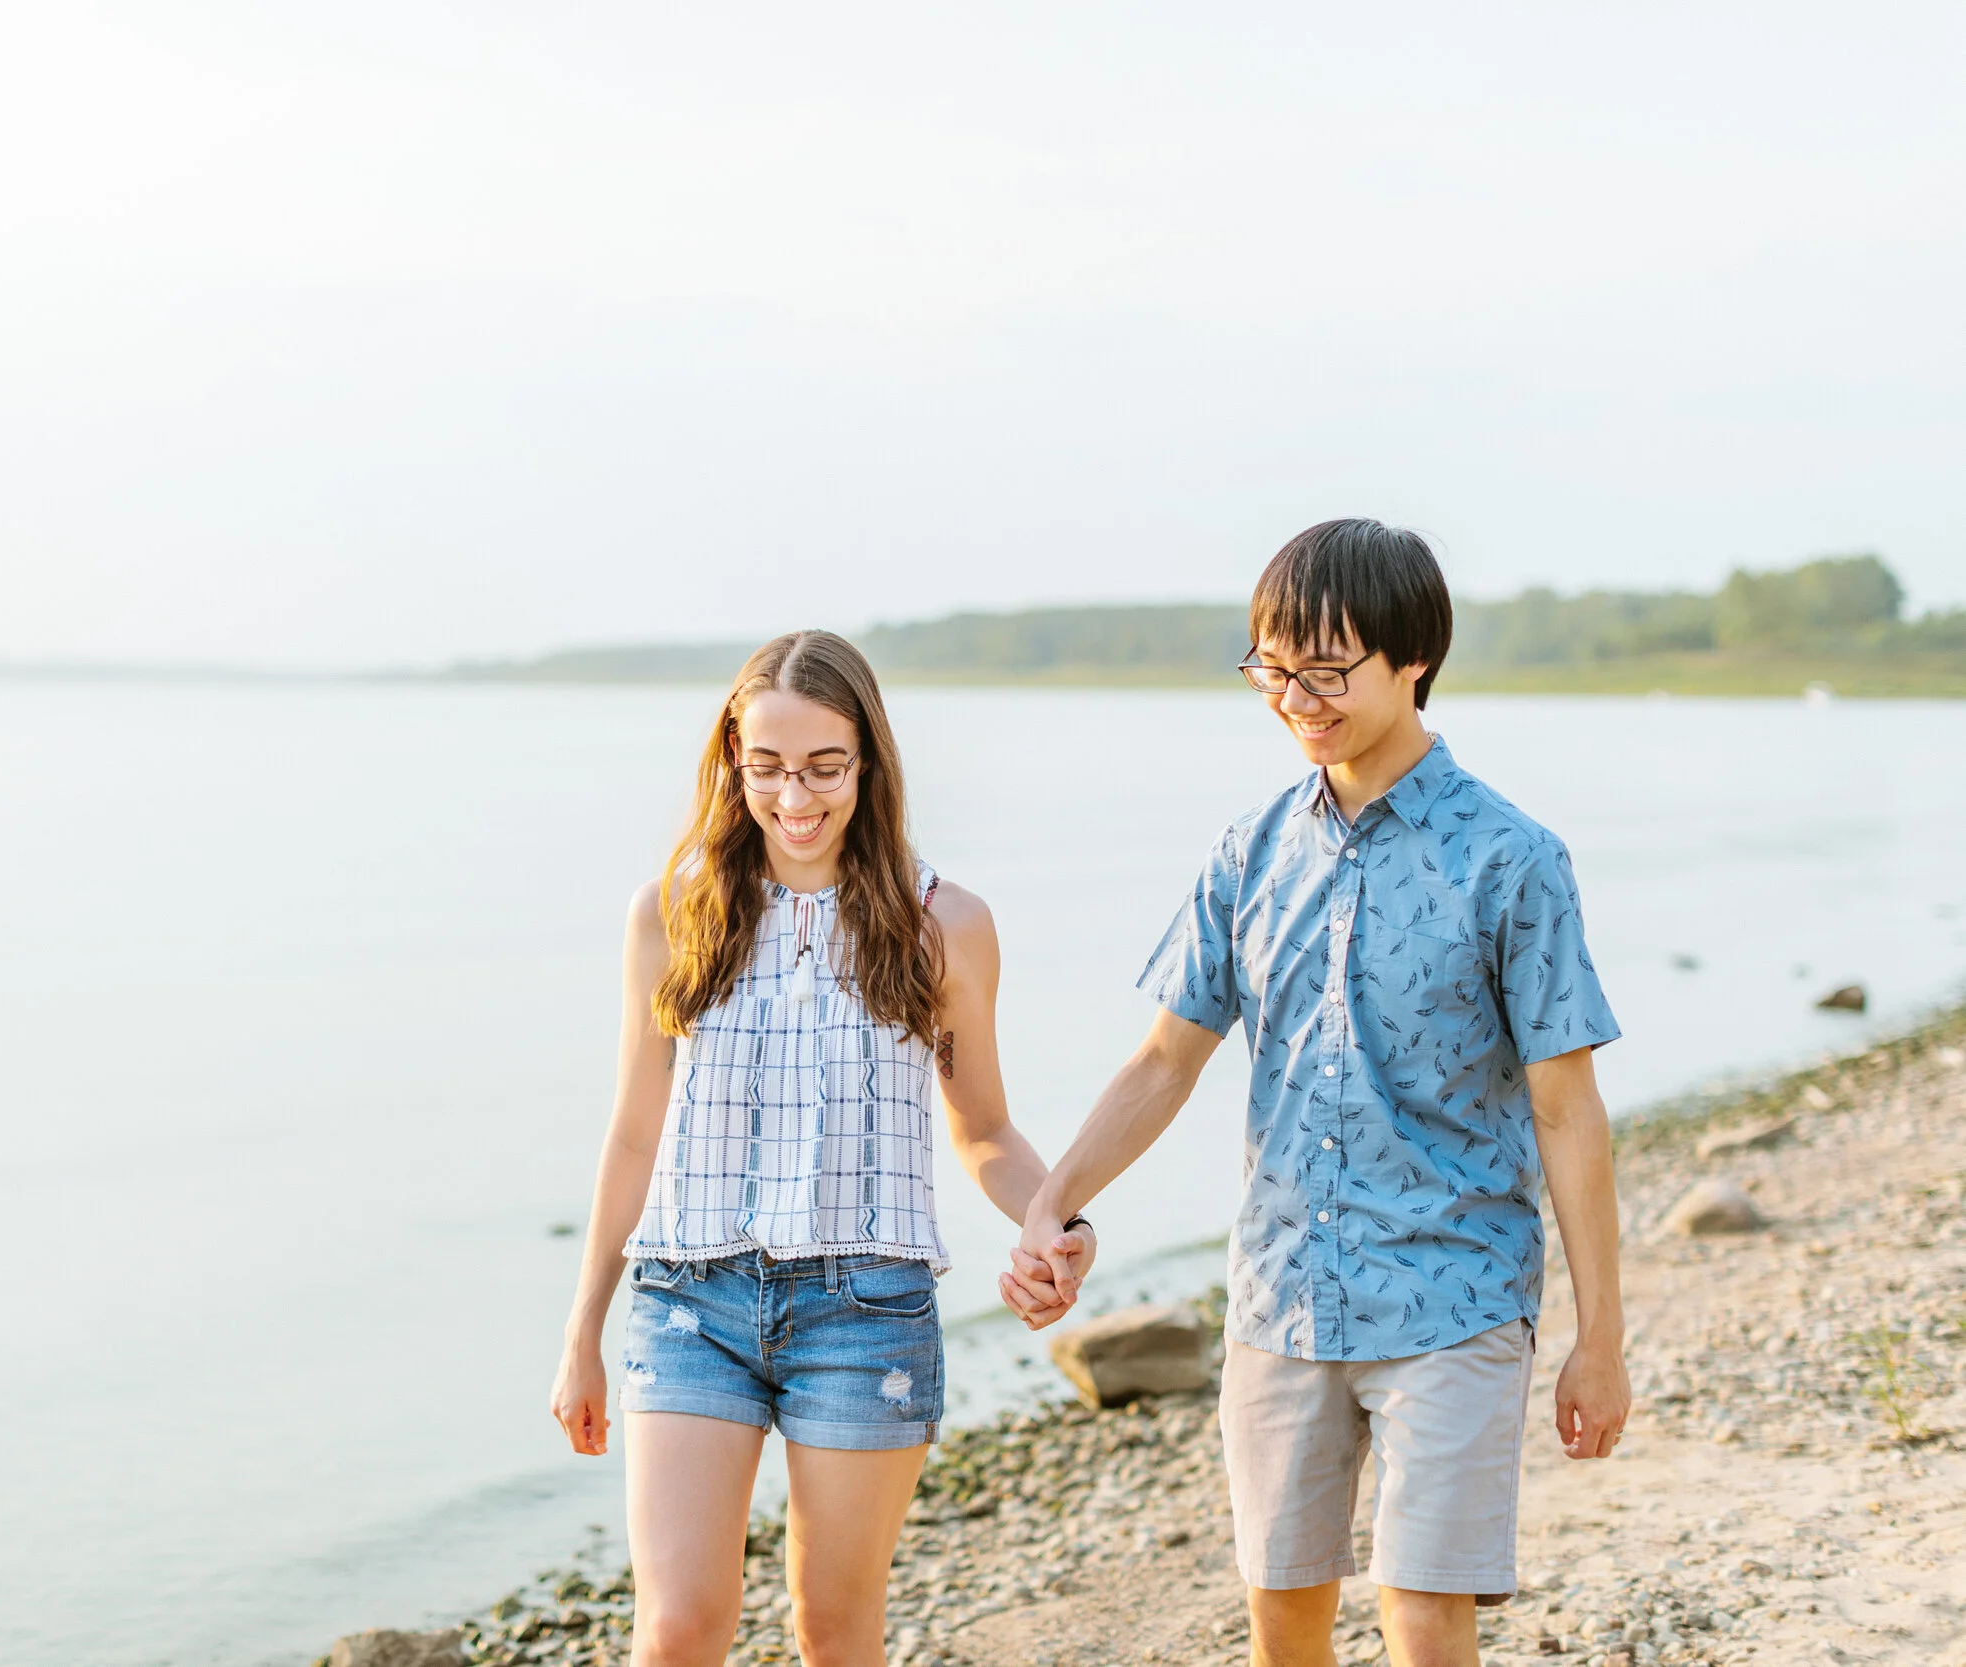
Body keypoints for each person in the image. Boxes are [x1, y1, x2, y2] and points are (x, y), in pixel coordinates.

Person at [1010, 521, 1631, 1667]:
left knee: (1423, 1608)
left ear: (1412, 661)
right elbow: (1164, 1059)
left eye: (1327, 669)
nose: (1296, 696)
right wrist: (1052, 1201)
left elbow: (1565, 1107)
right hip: (1280, 1295)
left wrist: (1602, 1336)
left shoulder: (1512, 859)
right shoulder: (1246, 853)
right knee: (1282, 1614)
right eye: (1271, 667)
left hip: (1456, 1293)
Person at [550, 630, 1092, 1667]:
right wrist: (583, 1324)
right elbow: (632, 1129)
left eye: (823, 767)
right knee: (674, 1629)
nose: (793, 796)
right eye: (766, 766)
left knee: (834, 1632)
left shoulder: (947, 926)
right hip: (687, 1300)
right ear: (733, 761)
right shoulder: (673, 911)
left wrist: (1054, 1217)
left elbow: (980, 1127)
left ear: (868, 763)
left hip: (864, 1314)